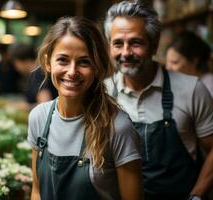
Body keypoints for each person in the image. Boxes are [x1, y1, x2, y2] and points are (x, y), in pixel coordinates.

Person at [104, 1, 213, 200]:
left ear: (154, 44)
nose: (126, 53)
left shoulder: (191, 89)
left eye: (135, 43)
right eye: (118, 43)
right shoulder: (103, 93)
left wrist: (197, 196)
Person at [27, 16, 143, 200]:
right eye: (63, 60)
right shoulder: (38, 118)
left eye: (84, 62)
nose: (72, 72)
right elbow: (37, 192)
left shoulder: (117, 127)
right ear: (48, 63)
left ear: (97, 67)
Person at [166, 31, 213, 110]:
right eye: (167, 62)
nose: (168, 67)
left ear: (193, 61)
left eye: (174, 62)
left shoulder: (209, 81)